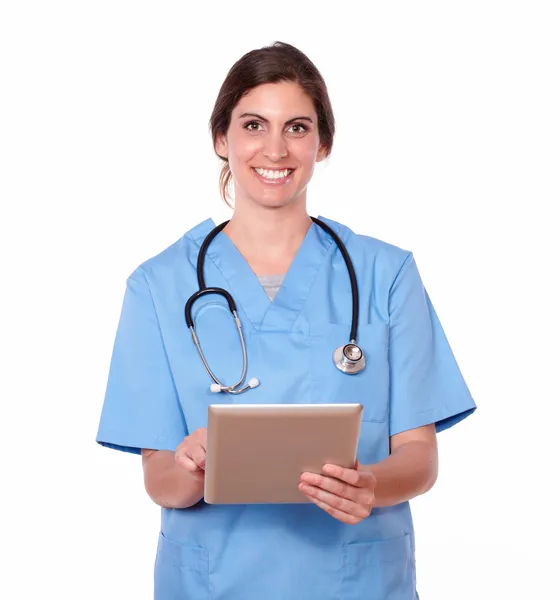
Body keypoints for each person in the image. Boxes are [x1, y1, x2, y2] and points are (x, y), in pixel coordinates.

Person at [96, 41, 476, 599]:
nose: (275, 148)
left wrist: (370, 485)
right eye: (254, 124)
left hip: (357, 581)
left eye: (297, 128)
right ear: (221, 139)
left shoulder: (386, 274)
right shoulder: (158, 285)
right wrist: (196, 467)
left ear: (322, 144)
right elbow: (161, 482)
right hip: (213, 583)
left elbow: (419, 459)